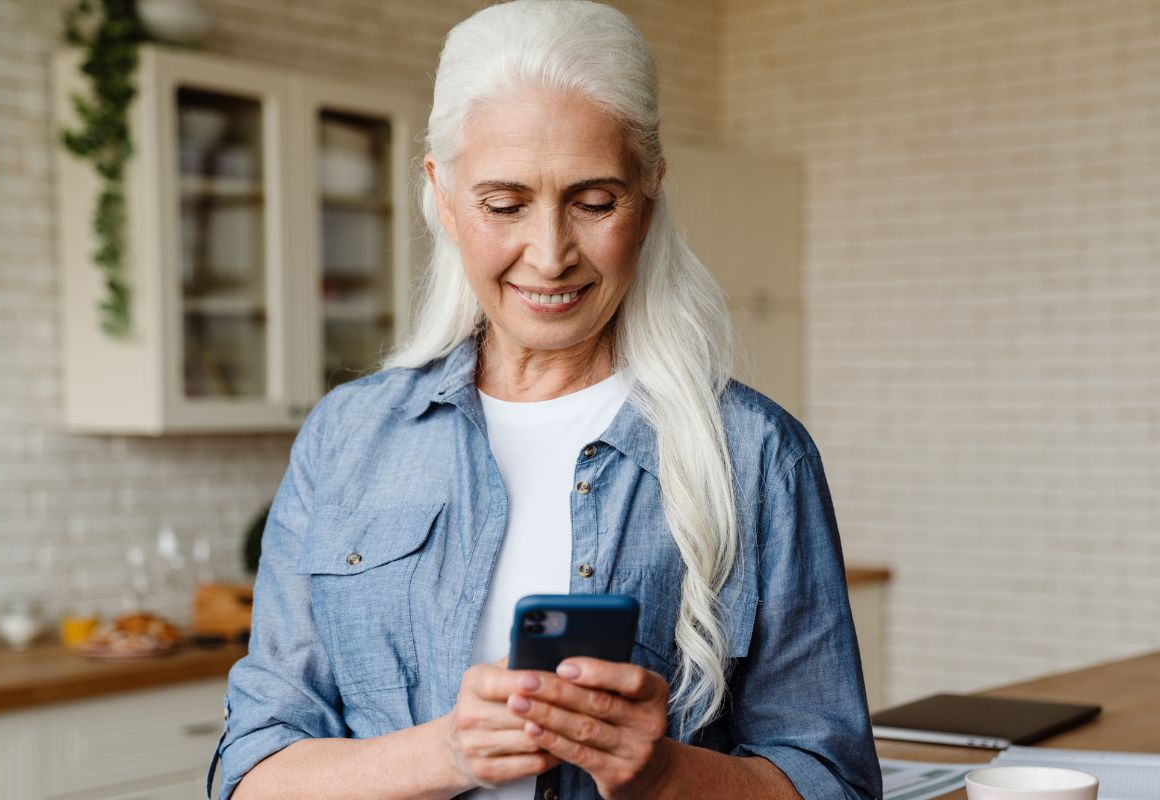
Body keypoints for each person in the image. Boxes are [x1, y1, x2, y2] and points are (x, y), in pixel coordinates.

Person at [211, 1, 881, 798]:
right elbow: (252, 774)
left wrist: (662, 771)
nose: (551, 253)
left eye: (594, 202)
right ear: (444, 196)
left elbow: (833, 782)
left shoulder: (756, 454)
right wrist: (450, 753)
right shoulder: (347, 438)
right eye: (505, 204)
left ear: (649, 195)